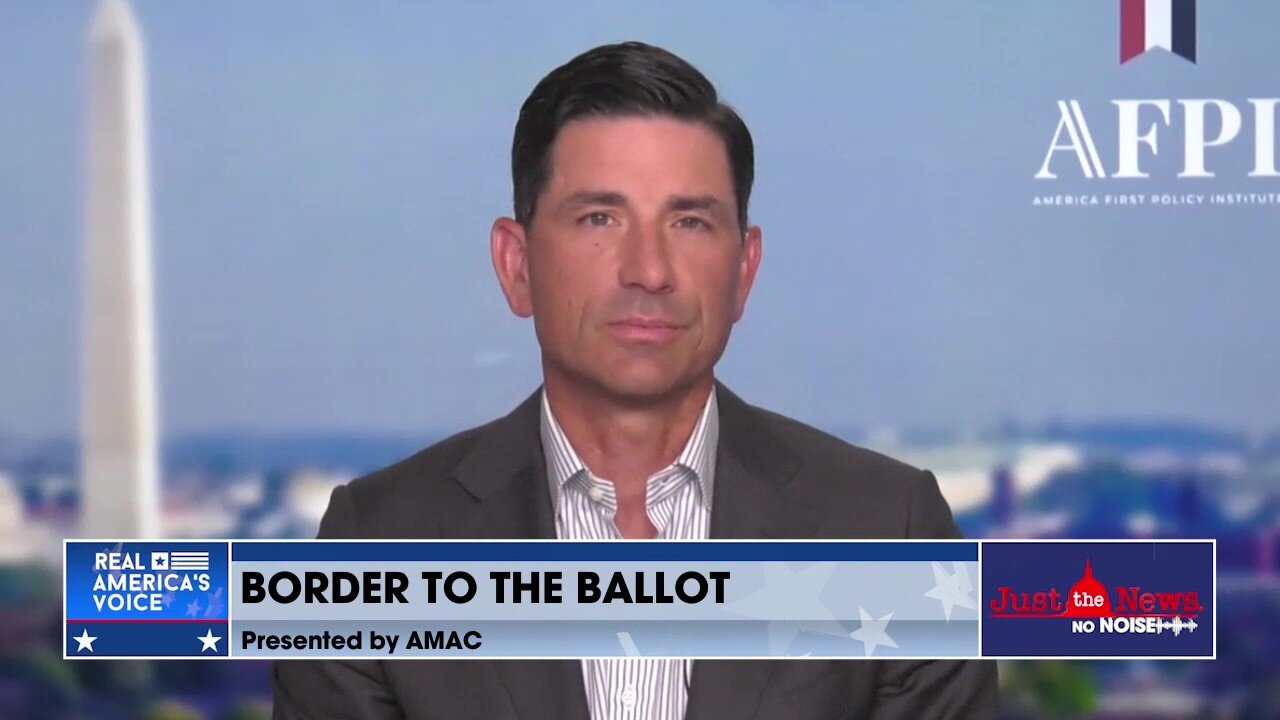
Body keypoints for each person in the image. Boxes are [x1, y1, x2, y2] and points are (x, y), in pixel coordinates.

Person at [273, 40, 997, 720]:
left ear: (744, 271)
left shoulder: (888, 530)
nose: (648, 271)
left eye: (690, 223)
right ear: (516, 265)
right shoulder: (380, 544)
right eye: (599, 218)